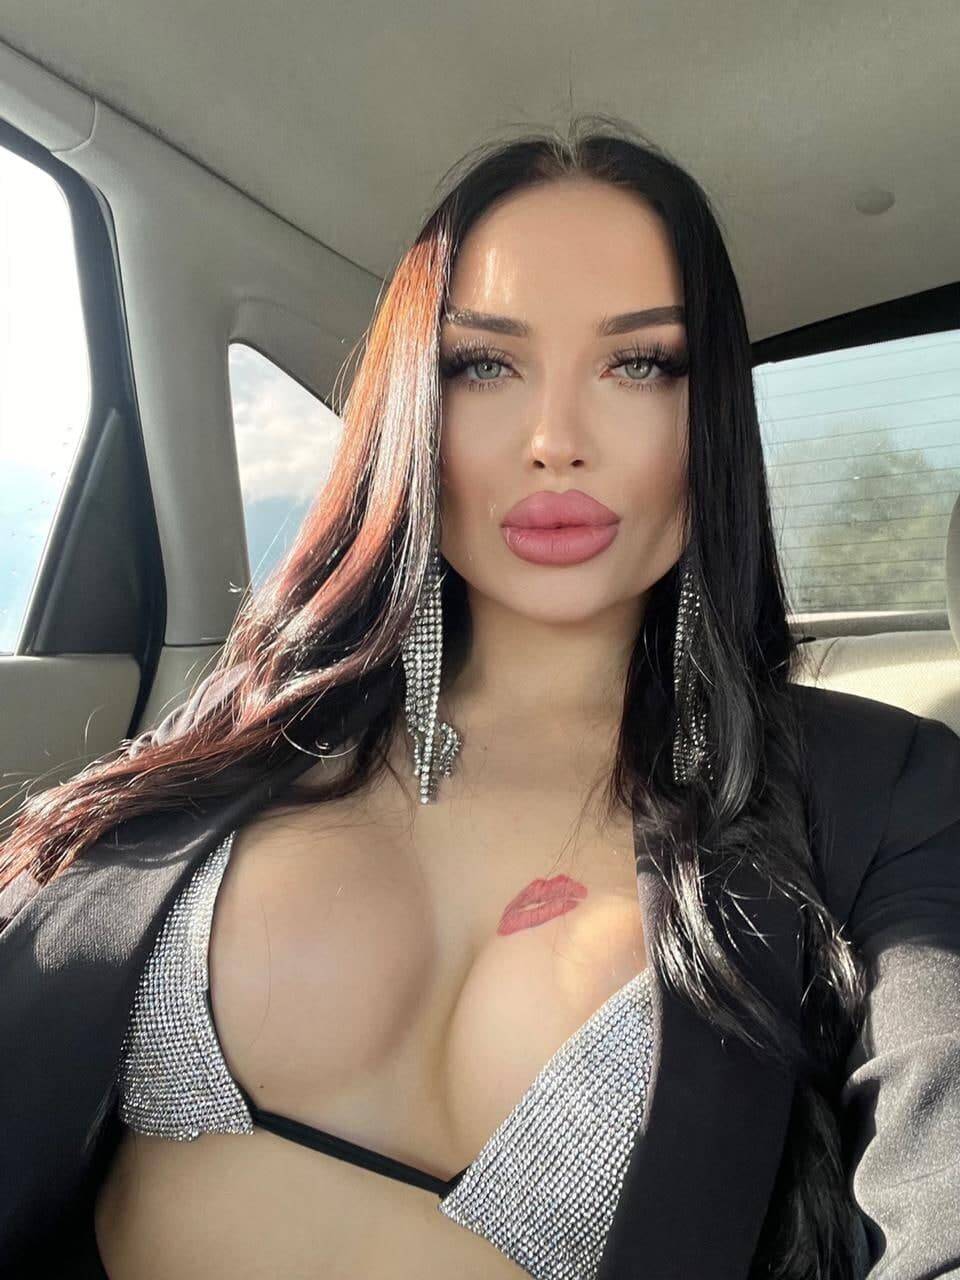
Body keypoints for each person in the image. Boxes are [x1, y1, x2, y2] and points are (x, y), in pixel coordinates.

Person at [1, 114, 958, 1280]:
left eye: (640, 362)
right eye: (485, 364)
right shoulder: (250, 721)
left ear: (709, 413)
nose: (555, 440)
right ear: (416, 405)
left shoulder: (882, 790)